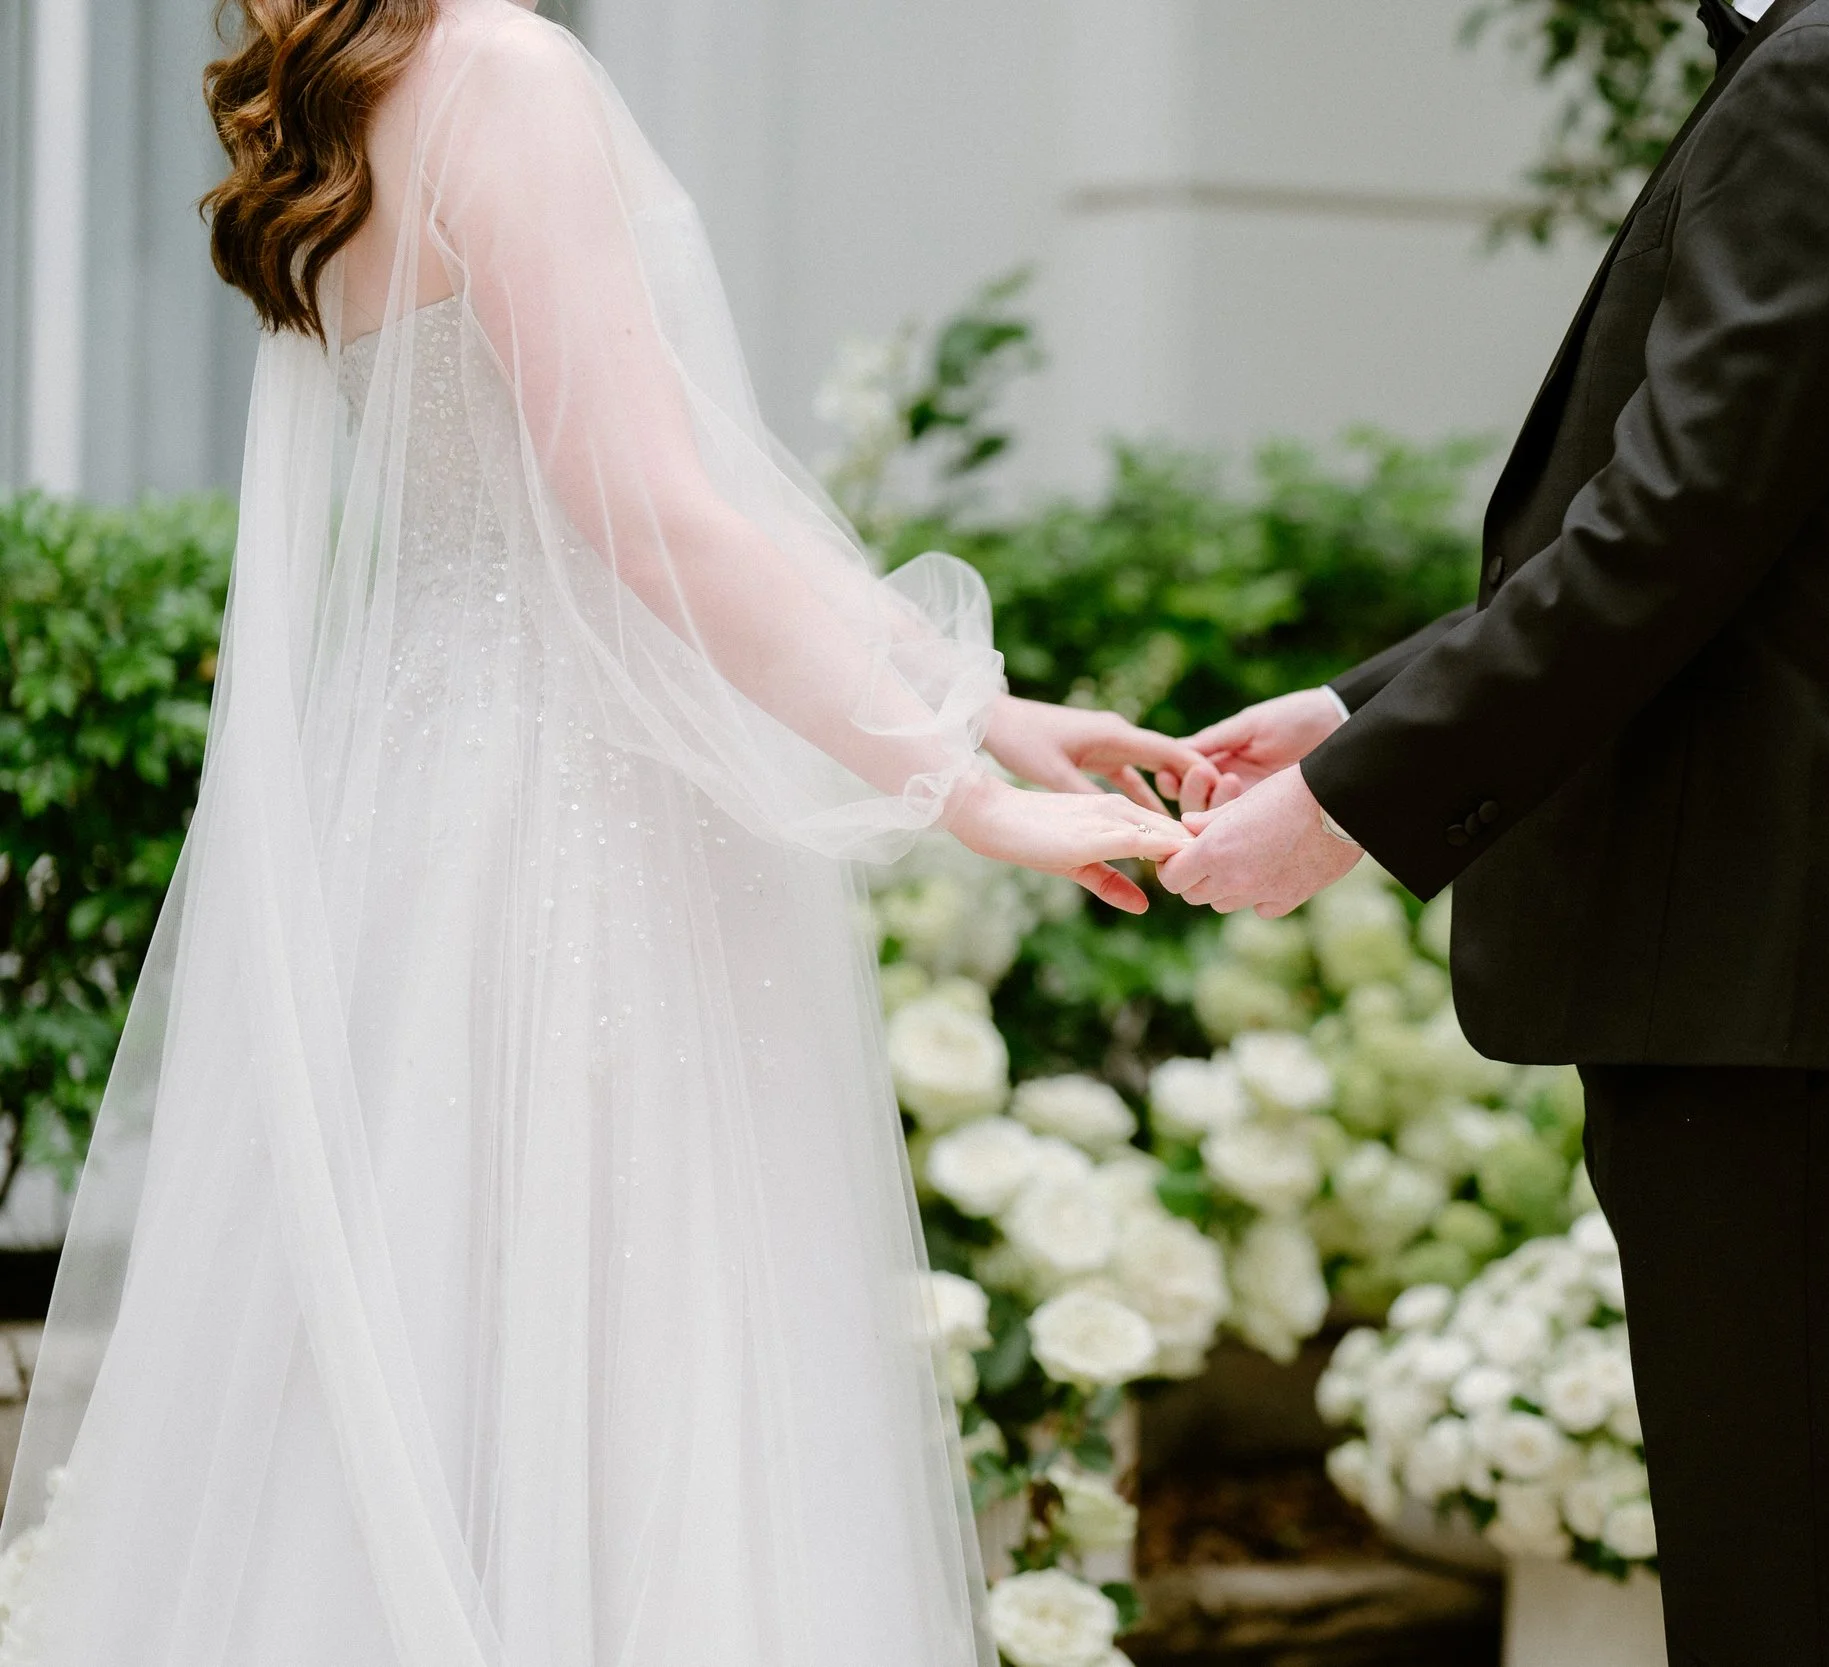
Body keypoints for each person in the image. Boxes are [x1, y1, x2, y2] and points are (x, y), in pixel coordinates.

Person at [0, 1, 1200, 1659]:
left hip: (414, 808)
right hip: (574, 826)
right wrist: (957, 787)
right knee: (626, 1367)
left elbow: (686, 493)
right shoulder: (503, 74)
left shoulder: (339, 97)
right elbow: (658, 516)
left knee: (425, 1365)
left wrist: (978, 700)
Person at [1160, 0, 1829, 1660]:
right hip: (1794, 961)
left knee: (1783, 1610)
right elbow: (1743, 528)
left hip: (1773, 965)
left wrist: (1347, 811)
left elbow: (1665, 534)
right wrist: (1362, 713)